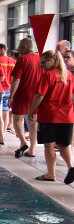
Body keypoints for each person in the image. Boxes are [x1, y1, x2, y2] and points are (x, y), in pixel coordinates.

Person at [27, 50, 74, 184]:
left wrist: (31, 110)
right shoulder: (68, 75)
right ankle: (71, 167)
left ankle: (50, 173)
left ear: (52, 61)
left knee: (49, 144)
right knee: (63, 144)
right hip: (67, 115)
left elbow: (39, 95)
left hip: (50, 115)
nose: (41, 65)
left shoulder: (48, 75)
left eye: (43, 62)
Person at [9, 37, 43, 158]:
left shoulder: (22, 59)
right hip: (37, 96)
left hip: (22, 94)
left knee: (17, 121)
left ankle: (23, 142)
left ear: (24, 47)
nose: (18, 50)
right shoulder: (41, 59)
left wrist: (11, 96)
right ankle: (32, 150)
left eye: (19, 48)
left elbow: (16, 79)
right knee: (33, 123)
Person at [0, 44, 15, 146]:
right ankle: (3, 135)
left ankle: (0, 135)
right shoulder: (13, 62)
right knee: (6, 113)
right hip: (10, 90)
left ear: (2, 49)